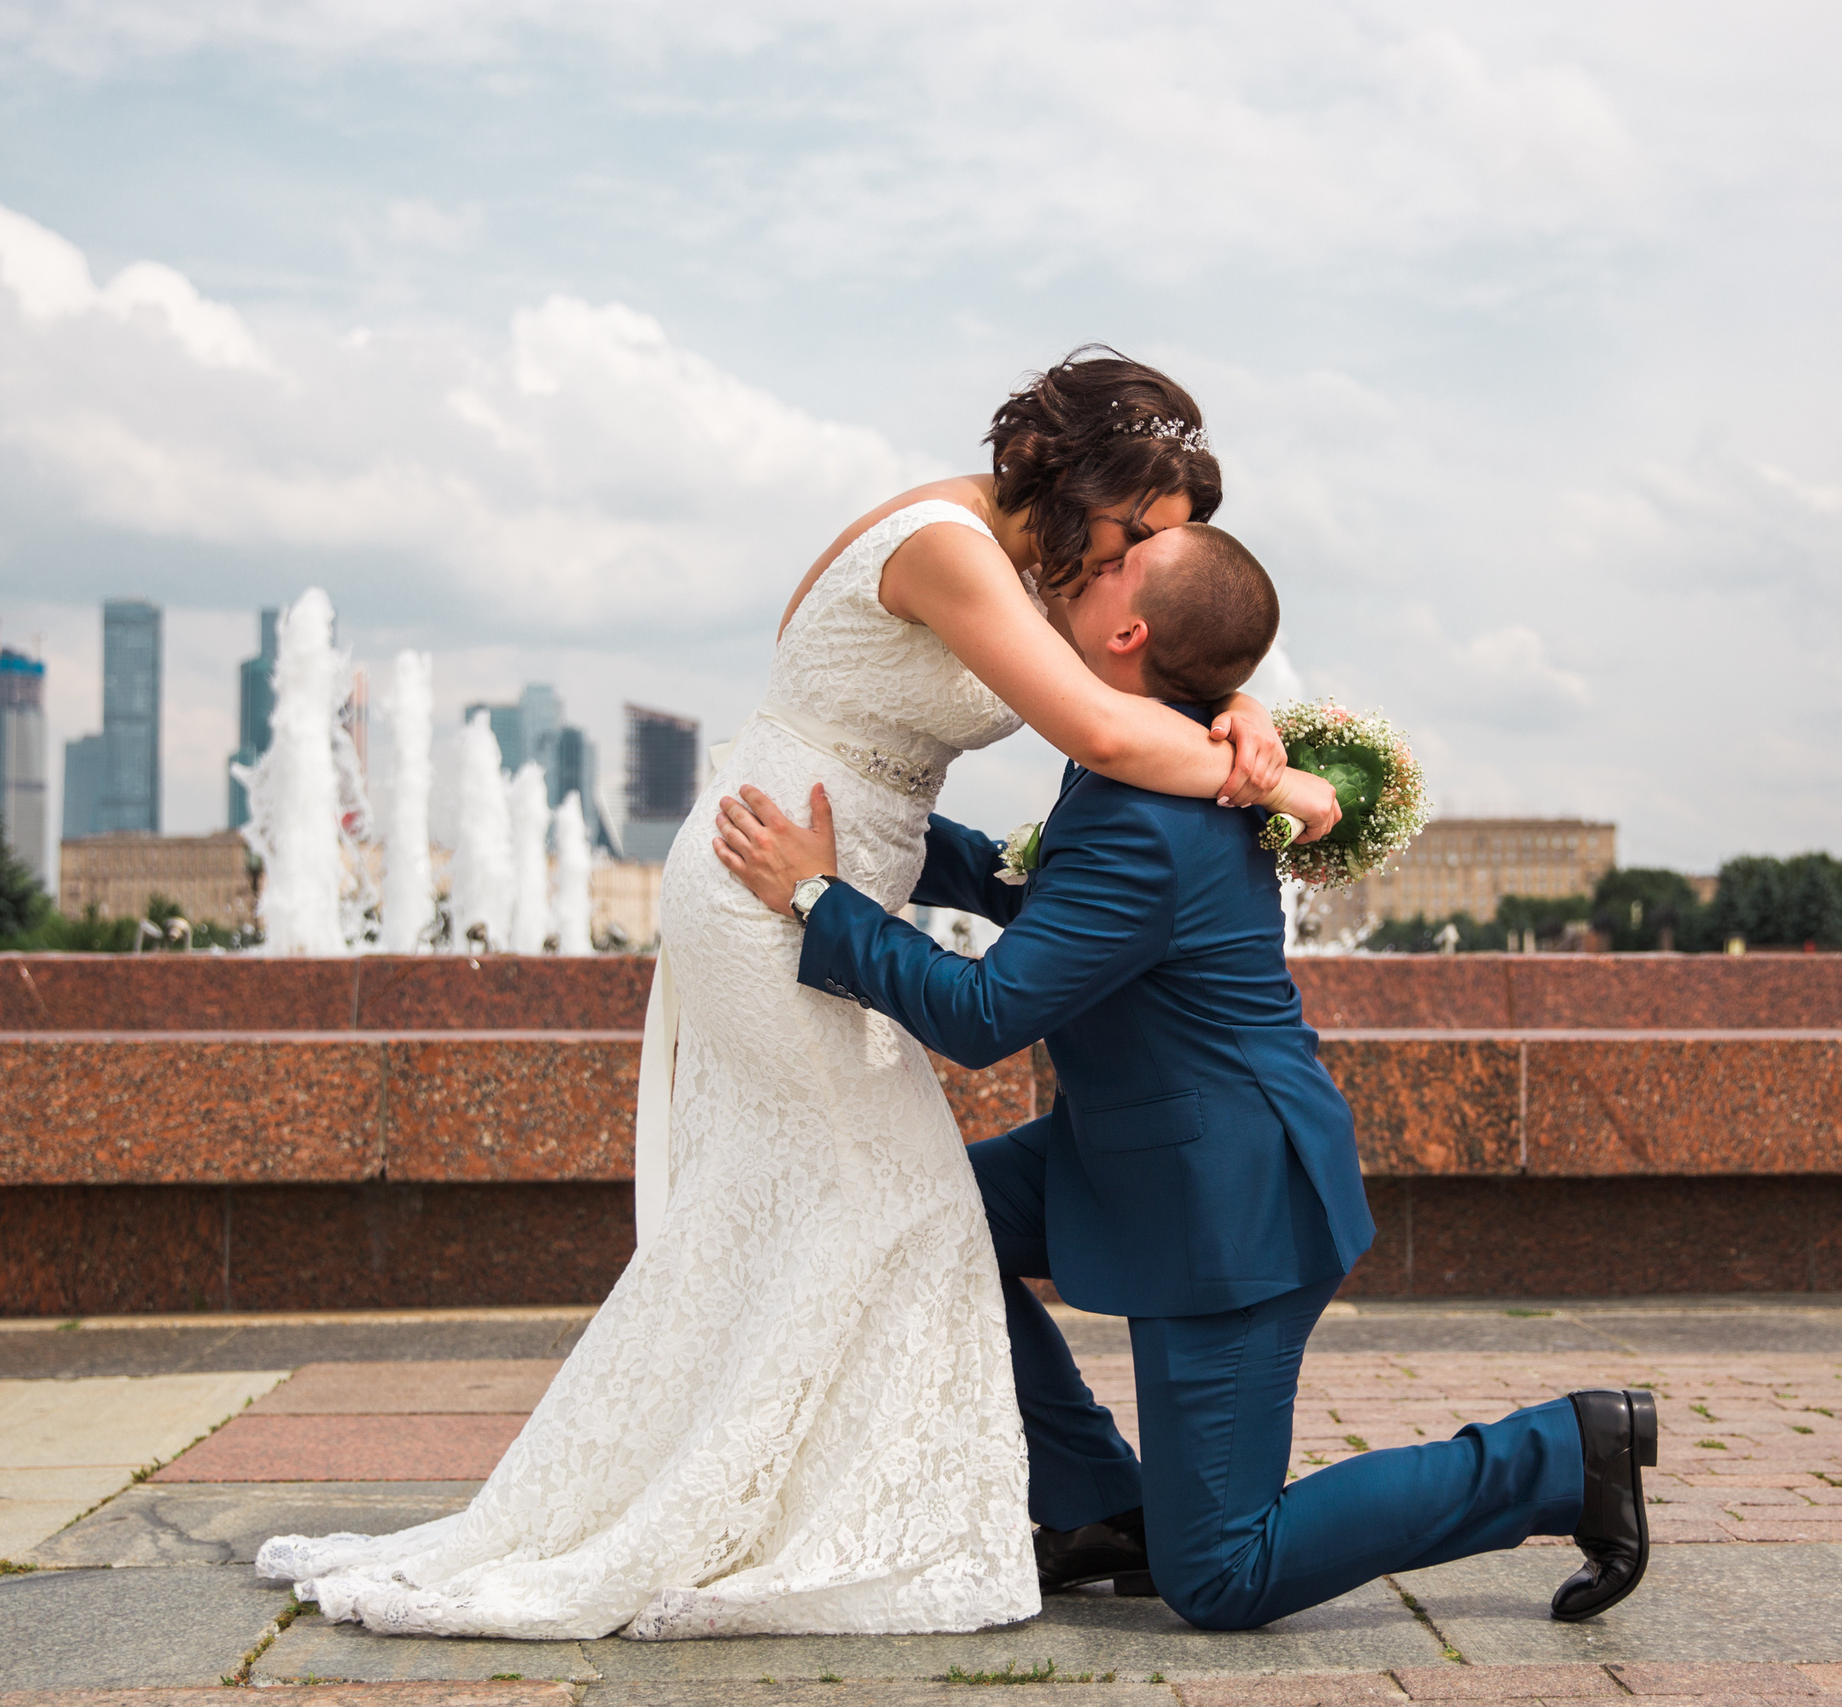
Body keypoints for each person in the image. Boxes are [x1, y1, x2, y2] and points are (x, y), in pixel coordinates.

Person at [254, 348, 1343, 1641]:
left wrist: (1242, 702)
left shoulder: (1048, 565)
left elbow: (1162, 645)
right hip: (775, 875)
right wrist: (1279, 780)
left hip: (831, 875)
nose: (1145, 562)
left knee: (882, 1206)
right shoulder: (948, 548)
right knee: (896, 1200)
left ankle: (1068, 1495)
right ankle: (865, 1498)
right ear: (1085, 494)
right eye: (1143, 533)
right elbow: (1108, 732)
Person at [714, 520, 1656, 1631]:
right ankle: (1100, 1505)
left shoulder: (1147, 815)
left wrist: (821, 900)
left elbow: (984, 1013)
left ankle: (1561, 1454)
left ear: (1129, 631)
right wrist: (884, 823)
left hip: (1227, 1202)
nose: (1088, 553)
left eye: (1114, 561)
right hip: (1142, 1145)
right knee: (910, 1215)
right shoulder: (1142, 752)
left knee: (1223, 1576)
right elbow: (1062, 908)